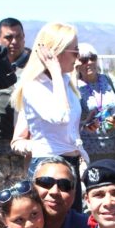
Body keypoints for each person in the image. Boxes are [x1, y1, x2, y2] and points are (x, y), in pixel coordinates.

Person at [11, 22, 84, 210]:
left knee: (72, 226)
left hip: (70, 164)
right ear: (56, 52)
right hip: (49, 168)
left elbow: (65, 123)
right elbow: (60, 116)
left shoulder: (67, 82)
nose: (78, 57)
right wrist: (56, 72)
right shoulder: (34, 86)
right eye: (74, 51)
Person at [0, 17, 32, 185]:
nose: (14, 42)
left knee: (25, 195)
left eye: (18, 37)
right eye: (8, 37)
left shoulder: (35, 67)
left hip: (25, 146)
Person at [76, 43, 115, 162]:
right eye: (84, 59)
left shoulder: (109, 80)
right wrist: (85, 124)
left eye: (92, 58)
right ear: (77, 63)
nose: (89, 62)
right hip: (87, 153)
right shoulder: (74, 87)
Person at [32, 156, 89, 228]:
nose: (54, 192)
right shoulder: (13, 226)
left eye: (64, 185)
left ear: (75, 192)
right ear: (32, 186)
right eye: (45, 182)